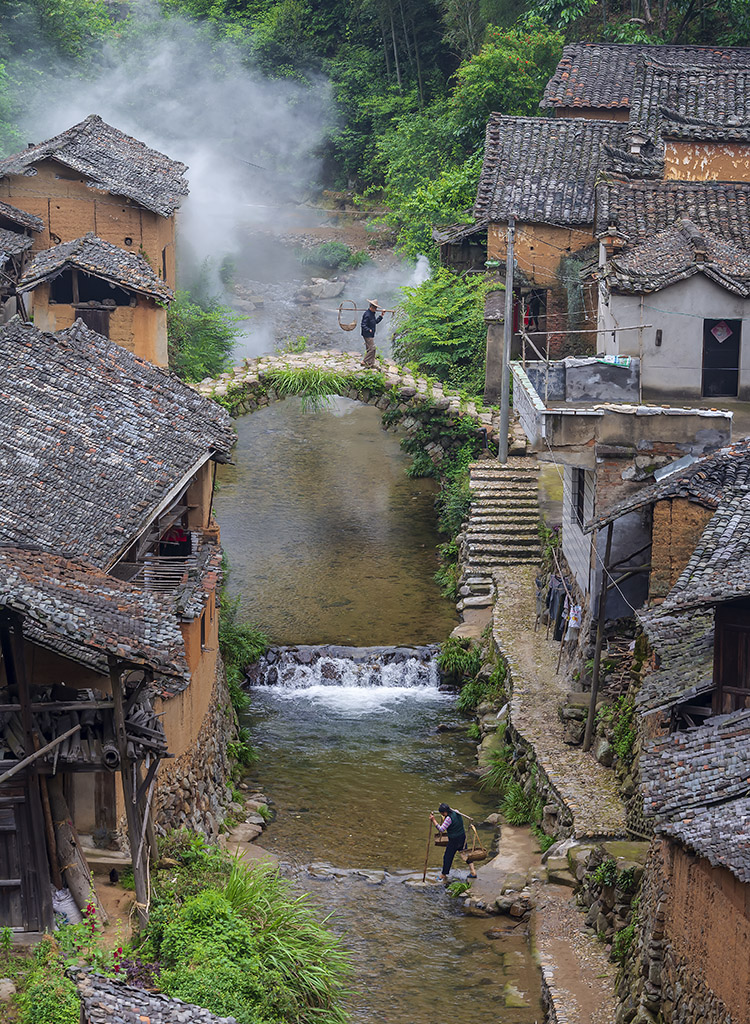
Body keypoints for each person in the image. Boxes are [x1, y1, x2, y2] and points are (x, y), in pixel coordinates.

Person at [430, 803, 477, 881]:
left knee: (447, 857)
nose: (442, 815)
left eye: (442, 813)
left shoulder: (448, 819)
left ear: (445, 812)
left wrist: (433, 820)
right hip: (462, 837)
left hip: (454, 840)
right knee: (465, 854)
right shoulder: (456, 812)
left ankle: (443, 875)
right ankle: (473, 872)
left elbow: (441, 829)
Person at [360, 299, 383, 368]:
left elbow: (375, 322)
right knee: (373, 348)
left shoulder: (372, 314)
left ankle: (370, 363)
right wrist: (368, 329)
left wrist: (381, 315)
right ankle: (364, 361)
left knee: (369, 349)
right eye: (375, 308)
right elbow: (363, 324)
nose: (376, 309)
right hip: (367, 334)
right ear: (371, 307)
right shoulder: (367, 314)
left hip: (371, 334)